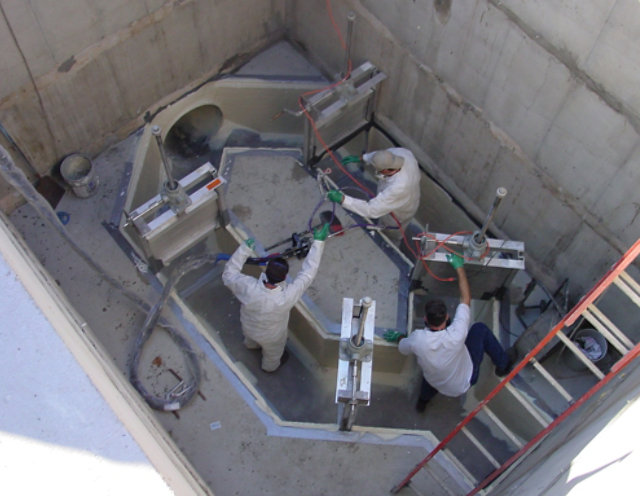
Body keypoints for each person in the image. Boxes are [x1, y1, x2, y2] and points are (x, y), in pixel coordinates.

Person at [396, 253, 513, 411]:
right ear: (447, 317)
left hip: (435, 380)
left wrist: (401, 337)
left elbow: (403, 348)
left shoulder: (417, 339)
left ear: (425, 319)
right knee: (480, 329)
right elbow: (466, 299)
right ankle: (503, 364)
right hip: (464, 381)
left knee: (429, 378)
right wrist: (459, 268)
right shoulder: (457, 333)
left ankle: (422, 403)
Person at [222, 223, 329, 372]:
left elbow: (228, 275)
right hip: (272, 336)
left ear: (266, 271)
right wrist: (318, 243)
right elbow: (307, 274)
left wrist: (243, 250)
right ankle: (269, 368)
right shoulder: (286, 297)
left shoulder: (248, 286)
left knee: (251, 339)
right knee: (273, 355)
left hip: (248, 326)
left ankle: (250, 345)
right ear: (284, 277)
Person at [326, 148, 421, 240]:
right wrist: (363, 158)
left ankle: (391, 244)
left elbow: (371, 210)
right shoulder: (402, 153)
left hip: (399, 211)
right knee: (383, 219)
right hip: (410, 195)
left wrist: (343, 199)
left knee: (392, 229)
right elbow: (380, 156)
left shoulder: (399, 186)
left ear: (385, 171)